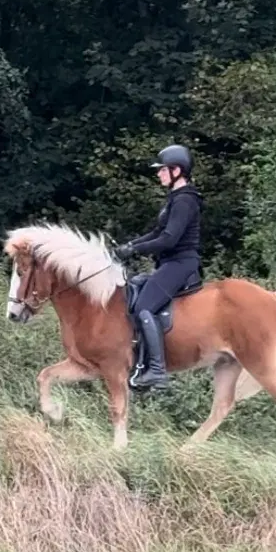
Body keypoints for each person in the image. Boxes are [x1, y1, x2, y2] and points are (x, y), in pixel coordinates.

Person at [112, 144, 203, 390]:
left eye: (162, 170)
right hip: (170, 262)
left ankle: (157, 372)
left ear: (177, 170)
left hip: (181, 263)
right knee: (135, 287)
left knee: (143, 307)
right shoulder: (175, 198)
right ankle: (138, 362)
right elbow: (156, 232)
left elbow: (169, 239)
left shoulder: (185, 200)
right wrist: (129, 245)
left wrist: (136, 250)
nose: (159, 174)